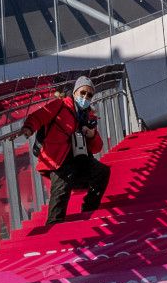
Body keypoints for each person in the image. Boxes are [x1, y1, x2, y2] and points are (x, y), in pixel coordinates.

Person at [22, 76, 110, 225]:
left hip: (79, 159)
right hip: (59, 160)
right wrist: (29, 127)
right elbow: (40, 115)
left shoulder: (89, 116)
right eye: (82, 93)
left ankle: (88, 209)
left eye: (89, 95)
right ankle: (54, 228)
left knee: (102, 172)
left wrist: (92, 134)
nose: (85, 97)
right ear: (75, 92)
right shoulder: (60, 105)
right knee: (60, 195)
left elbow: (97, 148)